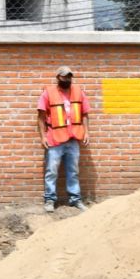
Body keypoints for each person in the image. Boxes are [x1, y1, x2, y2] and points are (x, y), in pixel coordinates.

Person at [37, 66, 90, 212]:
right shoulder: (48, 93)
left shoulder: (79, 92)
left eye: (69, 77)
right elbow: (41, 117)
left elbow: (85, 114)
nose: (67, 79)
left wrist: (86, 132)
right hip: (54, 140)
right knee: (51, 171)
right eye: (64, 77)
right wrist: (43, 137)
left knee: (73, 171)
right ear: (58, 77)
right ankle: (49, 200)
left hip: (73, 139)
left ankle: (75, 199)